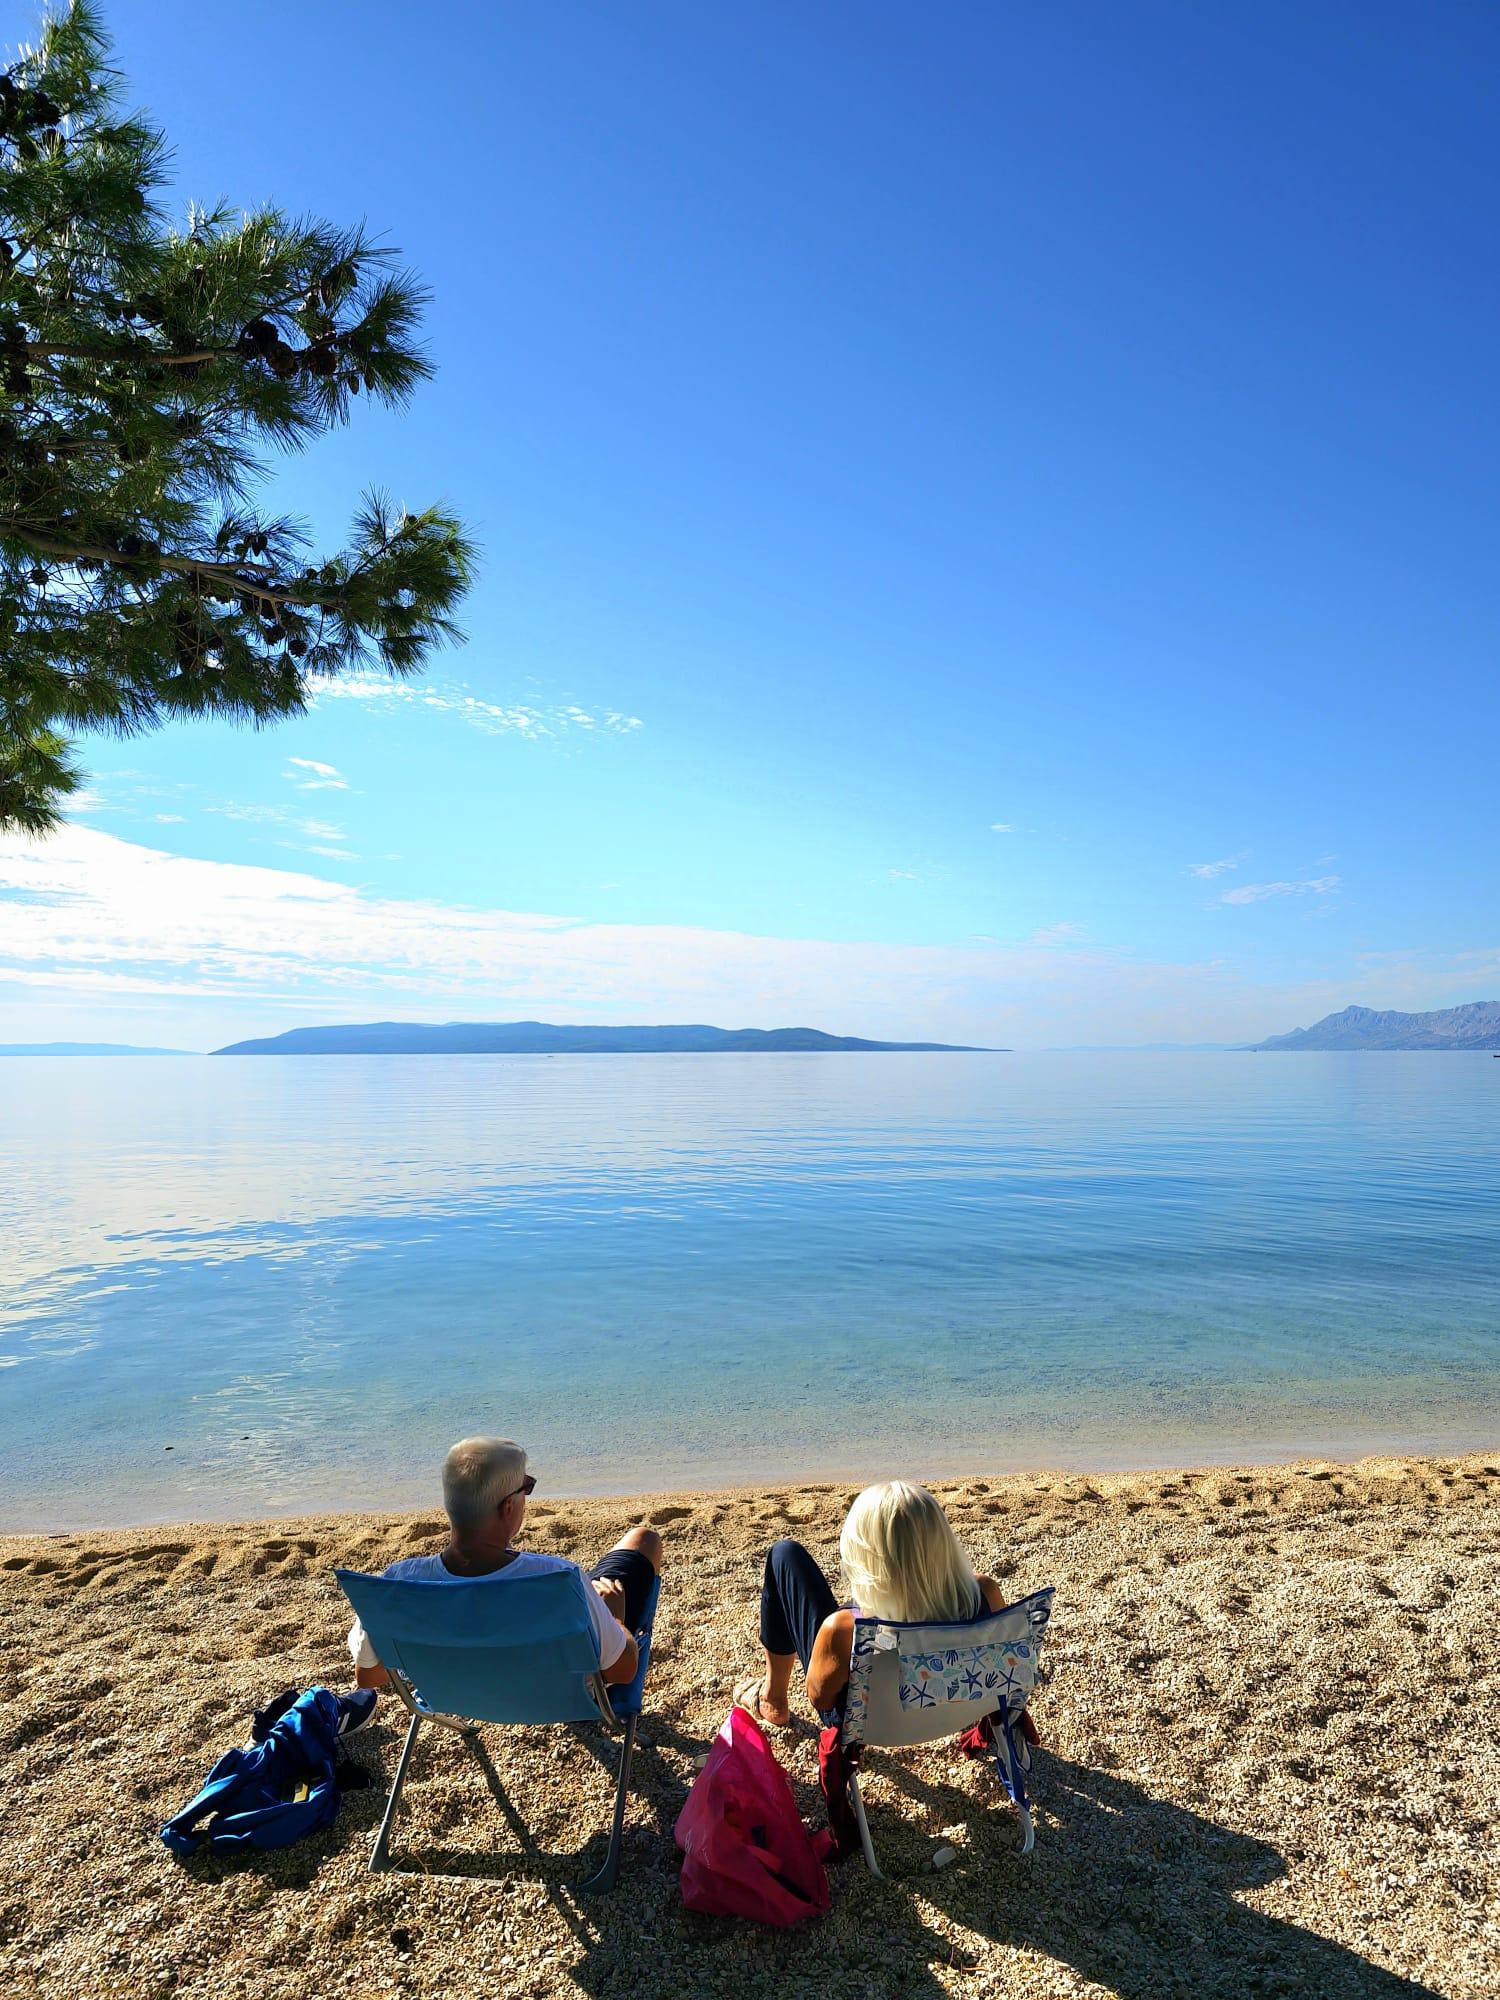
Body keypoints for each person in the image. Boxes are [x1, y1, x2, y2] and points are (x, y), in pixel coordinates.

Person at [348, 1437, 664, 1694]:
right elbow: (622, 1672)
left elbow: (370, 1676)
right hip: (559, 1694)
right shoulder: (559, 1580)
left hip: (459, 1694)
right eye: (526, 1487)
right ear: (509, 1506)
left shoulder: (396, 1583)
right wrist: (615, 1618)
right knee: (644, 1539)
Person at [735, 1479, 1009, 1726]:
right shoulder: (984, 1591)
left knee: (785, 1554)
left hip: (871, 1724)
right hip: (962, 1709)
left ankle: (773, 1697)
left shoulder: (844, 1629)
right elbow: (999, 1664)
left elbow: (821, 1699)